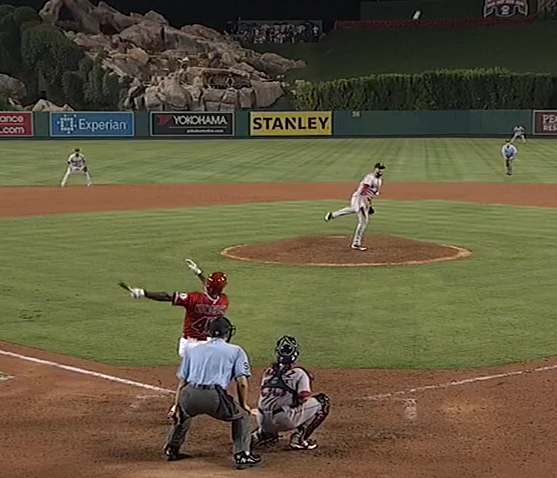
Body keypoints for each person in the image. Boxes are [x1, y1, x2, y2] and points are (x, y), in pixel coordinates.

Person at [164, 316, 262, 469]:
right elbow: (242, 383)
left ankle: (172, 449)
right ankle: (242, 455)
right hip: (213, 397)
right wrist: (244, 404)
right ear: (227, 333)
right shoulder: (236, 351)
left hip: (189, 395)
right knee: (242, 415)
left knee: (182, 413)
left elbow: (182, 382)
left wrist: (176, 406)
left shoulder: (193, 350)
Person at [126, 260, 228, 357]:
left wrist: (144, 293)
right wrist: (199, 274)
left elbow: (167, 296)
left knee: (191, 373)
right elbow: (211, 289)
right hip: (208, 344)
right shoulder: (224, 301)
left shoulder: (195, 298)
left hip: (190, 344)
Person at [251, 336, 330, 451]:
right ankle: (299, 439)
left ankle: (262, 434)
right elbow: (304, 397)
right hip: (283, 420)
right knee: (323, 402)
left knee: (272, 404)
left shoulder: (268, 371)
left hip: (262, 419)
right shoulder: (299, 372)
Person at [324, 162, 386, 251]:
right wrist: (365, 203)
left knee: (354, 210)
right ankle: (356, 243)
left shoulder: (379, 180)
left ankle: (332, 215)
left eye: (382, 168)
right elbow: (364, 190)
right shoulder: (370, 178)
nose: (380, 170)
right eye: (379, 168)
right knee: (363, 221)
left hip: (364, 199)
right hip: (360, 198)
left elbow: (371, 194)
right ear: (375, 168)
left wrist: (369, 205)